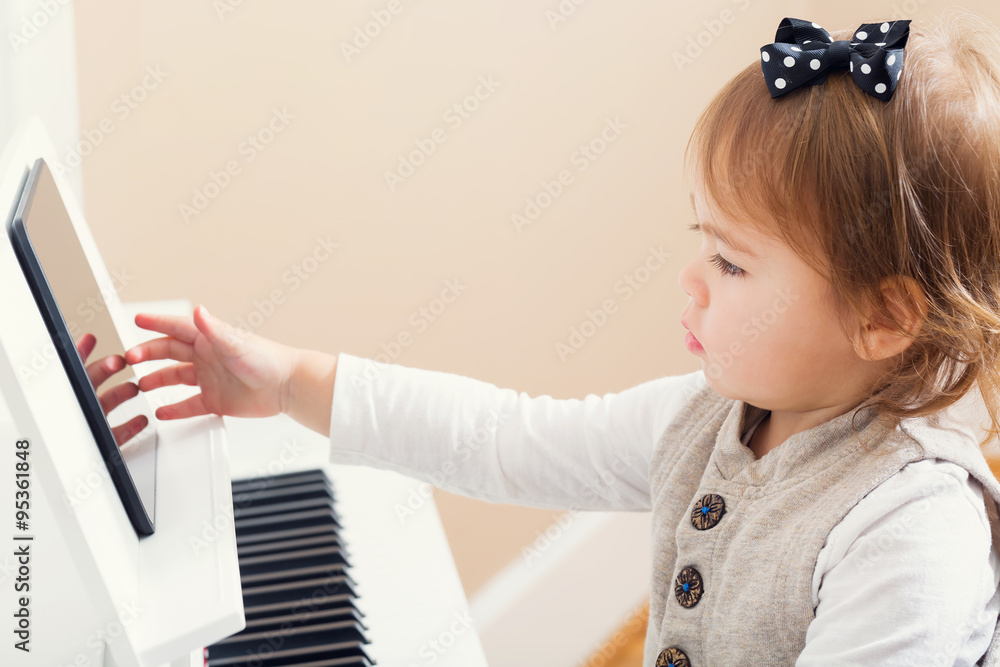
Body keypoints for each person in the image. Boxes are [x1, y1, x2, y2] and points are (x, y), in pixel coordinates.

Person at [123, 10, 1000, 666]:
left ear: (883, 317)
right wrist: (288, 383)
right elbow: (505, 438)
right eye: (701, 239)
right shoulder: (710, 417)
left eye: (731, 264)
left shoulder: (912, 535)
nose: (691, 279)